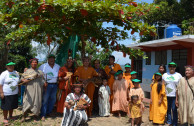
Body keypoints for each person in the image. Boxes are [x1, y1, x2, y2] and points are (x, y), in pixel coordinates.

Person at [39, 54, 60, 120]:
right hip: (46, 85)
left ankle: (49, 112)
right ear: (48, 59)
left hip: (55, 85)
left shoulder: (57, 66)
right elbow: (39, 75)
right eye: (50, 58)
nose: (51, 60)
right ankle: (43, 114)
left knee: (53, 99)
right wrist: (43, 81)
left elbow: (61, 74)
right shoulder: (43, 66)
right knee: (45, 100)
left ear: (54, 59)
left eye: (52, 58)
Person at [162, 62, 182, 126]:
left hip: (174, 95)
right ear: (168, 67)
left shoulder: (178, 75)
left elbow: (180, 85)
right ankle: (169, 121)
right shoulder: (165, 75)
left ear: (175, 67)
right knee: (168, 108)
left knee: (174, 109)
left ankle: (175, 123)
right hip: (166, 95)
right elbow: (162, 85)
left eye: (173, 66)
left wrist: (178, 97)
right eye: (170, 66)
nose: (172, 68)